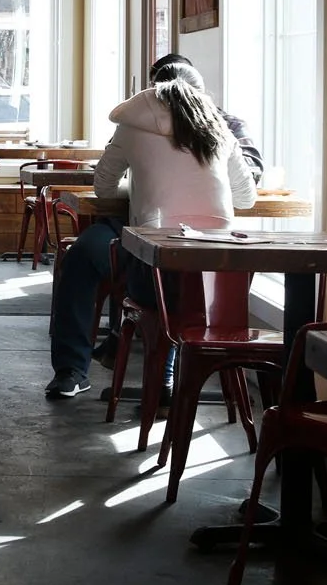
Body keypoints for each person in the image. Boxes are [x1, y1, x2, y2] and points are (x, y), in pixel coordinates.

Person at [46, 54, 263, 399]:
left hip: (150, 248)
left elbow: (103, 187)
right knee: (99, 257)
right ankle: (149, 369)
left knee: (89, 259)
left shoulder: (133, 122)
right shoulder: (220, 127)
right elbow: (247, 198)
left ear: (153, 92)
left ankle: (85, 367)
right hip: (214, 266)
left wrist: (142, 189)